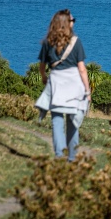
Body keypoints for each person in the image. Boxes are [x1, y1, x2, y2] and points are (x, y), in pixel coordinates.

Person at [34, 9, 91, 161]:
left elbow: (42, 65)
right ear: (67, 24)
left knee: (56, 120)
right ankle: (72, 157)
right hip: (74, 83)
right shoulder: (75, 42)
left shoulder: (48, 42)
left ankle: (59, 154)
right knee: (73, 122)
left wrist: (44, 77)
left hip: (56, 82)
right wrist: (87, 90)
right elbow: (82, 69)